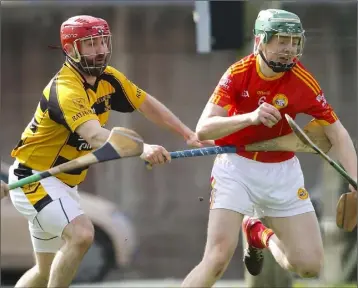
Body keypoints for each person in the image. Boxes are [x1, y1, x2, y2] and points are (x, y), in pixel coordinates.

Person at [7, 15, 203, 288]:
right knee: (82, 235)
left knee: (45, 271)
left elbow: (146, 104)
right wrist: (141, 148)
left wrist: (186, 133)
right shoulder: (65, 89)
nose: (99, 49)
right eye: (89, 44)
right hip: (36, 178)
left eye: (102, 42)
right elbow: (94, 135)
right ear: (71, 49)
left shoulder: (109, 78)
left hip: (62, 184)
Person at [181, 9, 357, 287]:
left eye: (294, 41)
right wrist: (250, 117)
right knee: (216, 260)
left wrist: (355, 180)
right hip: (236, 168)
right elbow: (204, 128)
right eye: (281, 41)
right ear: (261, 41)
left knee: (309, 266)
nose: (289, 50)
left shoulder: (304, 81)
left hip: (282, 172)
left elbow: (337, 133)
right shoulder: (238, 73)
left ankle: (258, 232)